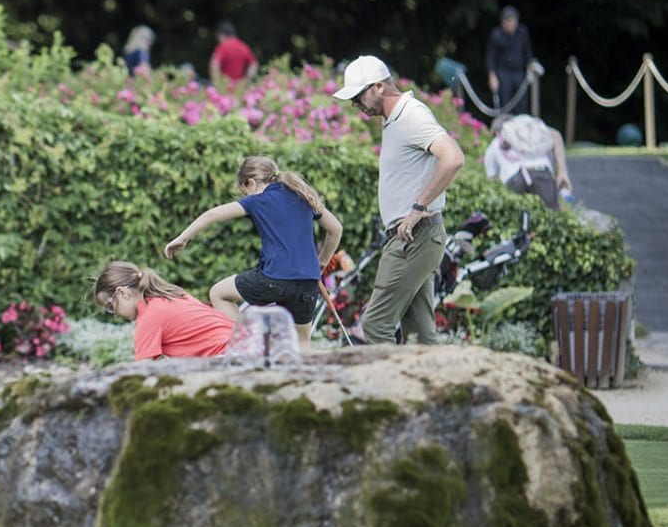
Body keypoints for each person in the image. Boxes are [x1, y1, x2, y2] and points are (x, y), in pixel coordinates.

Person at [333, 55, 467, 345]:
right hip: (415, 235)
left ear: (379, 87)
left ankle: (390, 390)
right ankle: (436, 390)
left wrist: (417, 208)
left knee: (375, 324)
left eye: (358, 96)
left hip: (414, 235)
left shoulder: (411, 115)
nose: (355, 104)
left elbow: (453, 158)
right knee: (420, 335)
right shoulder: (394, 119)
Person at [164, 156, 344, 352]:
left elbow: (212, 214)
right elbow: (336, 229)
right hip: (308, 284)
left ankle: (255, 343)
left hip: (273, 278)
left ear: (250, 182)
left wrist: (182, 238)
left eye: (245, 190)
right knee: (302, 342)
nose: (246, 195)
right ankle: (305, 381)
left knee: (218, 293)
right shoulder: (302, 195)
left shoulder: (258, 200)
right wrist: (322, 262)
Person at [93, 261, 235, 359]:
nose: (115, 314)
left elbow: (142, 371)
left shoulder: (149, 317)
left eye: (110, 306)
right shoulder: (174, 295)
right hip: (242, 344)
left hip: (227, 357)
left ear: (122, 293)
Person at [482, 114, 571, 210]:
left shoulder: (495, 142)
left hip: (514, 178)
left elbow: (492, 179)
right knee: (552, 213)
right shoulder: (530, 130)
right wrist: (562, 171)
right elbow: (556, 135)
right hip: (542, 173)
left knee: (517, 217)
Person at [486, 6, 534, 116]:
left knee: (522, 103)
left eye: (512, 21)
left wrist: (530, 66)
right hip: (503, 73)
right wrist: (492, 76)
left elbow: (528, 52)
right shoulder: (496, 35)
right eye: (507, 22)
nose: (510, 25)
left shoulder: (522, 32)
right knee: (505, 103)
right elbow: (491, 57)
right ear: (502, 22)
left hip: (519, 72)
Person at [209, 21, 258, 87]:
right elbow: (254, 64)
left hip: (225, 86)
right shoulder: (243, 46)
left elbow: (215, 64)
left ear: (221, 35)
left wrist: (217, 82)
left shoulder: (223, 46)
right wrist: (247, 80)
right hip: (239, 87)